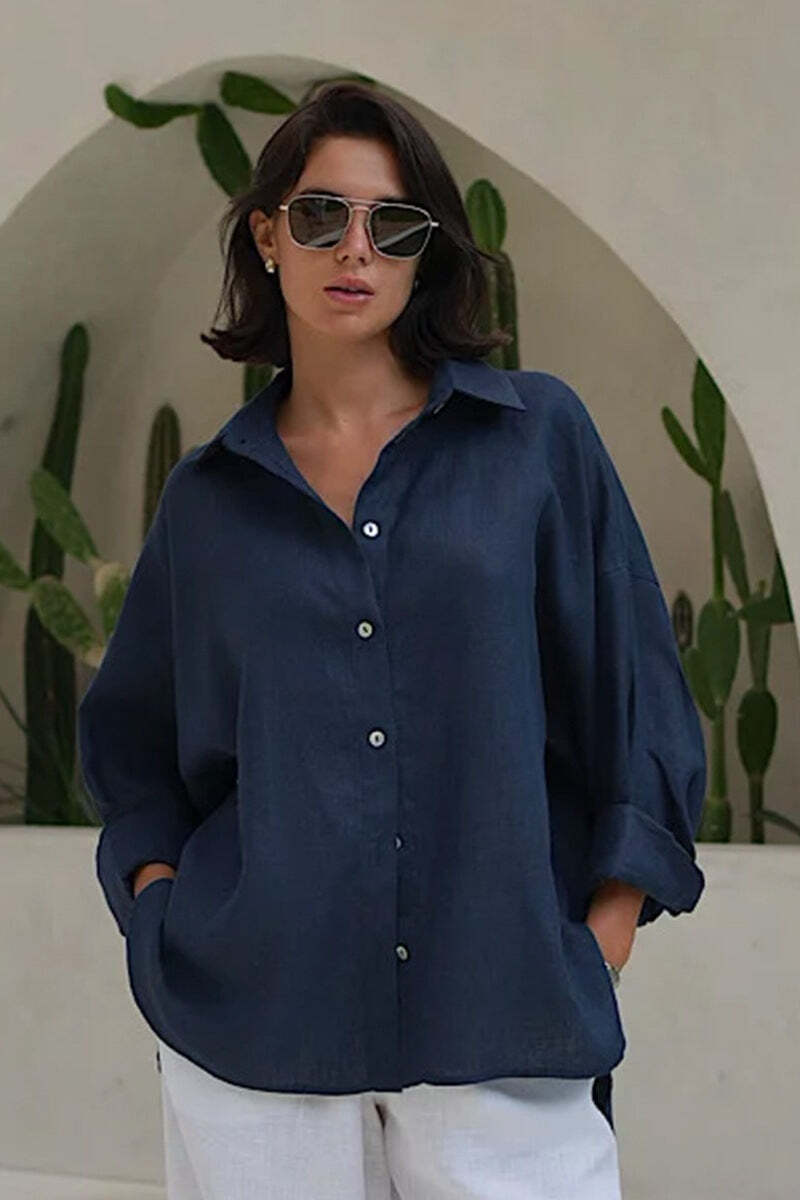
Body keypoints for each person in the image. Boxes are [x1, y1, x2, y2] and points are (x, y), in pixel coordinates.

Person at [79, 81, 706, 1199]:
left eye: (394, 223)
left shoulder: (535, 442)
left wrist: (599, 938)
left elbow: (635, 700)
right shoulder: (208, 499)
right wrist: (164, 911)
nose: (354, 247)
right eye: (321, 213)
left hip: (505, 1015)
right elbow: (133, 745)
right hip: (256, 1035)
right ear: (267, 235)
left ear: (427, 252)